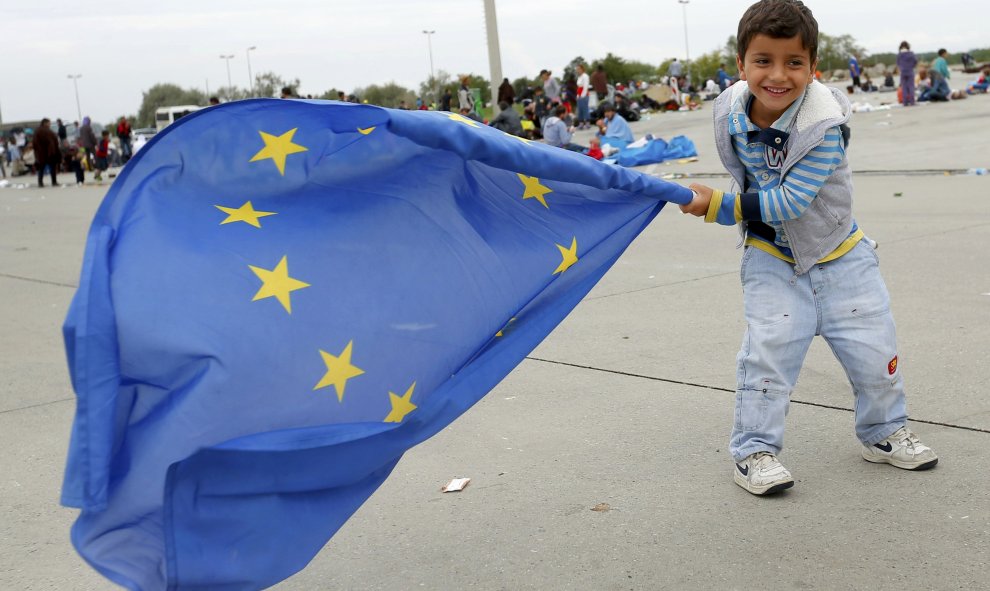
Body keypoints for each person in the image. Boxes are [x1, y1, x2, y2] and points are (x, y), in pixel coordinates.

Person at [678, 0, 938, 496]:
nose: (778, 75)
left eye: (794, 63)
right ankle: (754, 451)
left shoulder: (825, 123)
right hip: (772, 258)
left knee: (875, 352)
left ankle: (883, 433)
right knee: (766, 357)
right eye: (763, 61)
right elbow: (752, 176)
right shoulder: (730, 108)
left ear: (812, 67)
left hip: (841, 255)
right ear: (740, 64)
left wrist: (718, 206)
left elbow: (793, 200)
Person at [32, 118, 61, 187]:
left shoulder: (37, 131)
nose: (49, 124)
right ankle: (54, 181)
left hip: (41, 154)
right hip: (49, 153)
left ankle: (40, 182)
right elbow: (52, 142)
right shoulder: (47, 131)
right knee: (52, 168)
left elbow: (34, 143)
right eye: (49, 123)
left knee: (41, 168)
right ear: (45, 123)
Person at [575, 63, 591, 129]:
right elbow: (578, 86)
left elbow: (585, 86)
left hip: (584, 95)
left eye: (579, 69)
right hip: (579, 95)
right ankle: (581, 123)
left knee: (585, 109)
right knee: (580, 109)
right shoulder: (579, 77)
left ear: (582, 69)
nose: (578, 70)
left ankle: (587, 122)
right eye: (577, 69)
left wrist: (583, 95)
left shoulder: (585, 76)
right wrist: (578, 95)